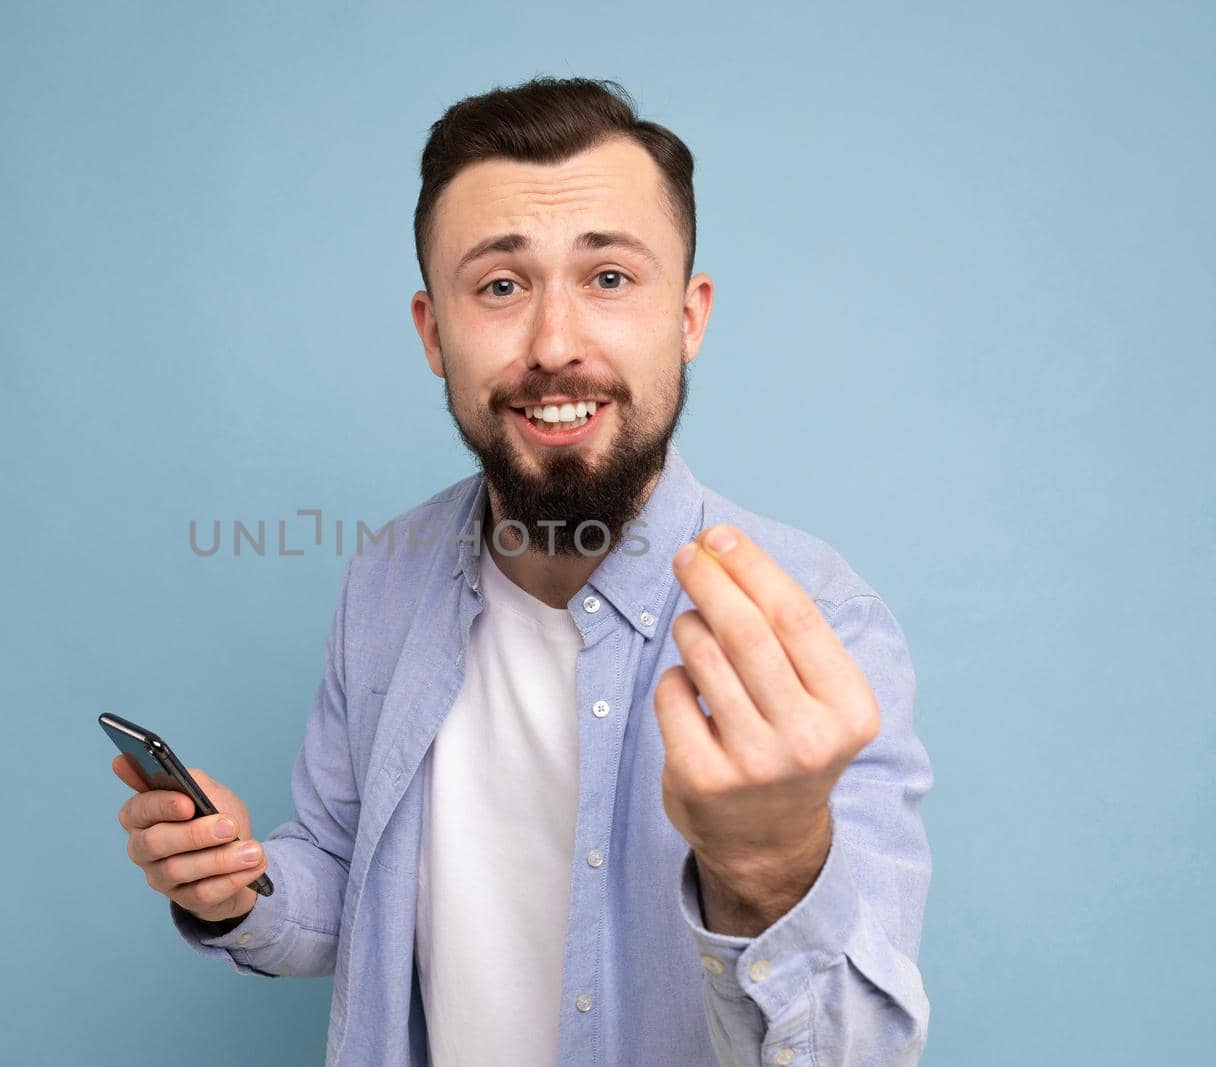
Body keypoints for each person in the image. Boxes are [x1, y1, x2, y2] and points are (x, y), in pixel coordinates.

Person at [112, 75, 933, 1066]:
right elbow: (351, 888)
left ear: (687, 316)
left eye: (610, 279)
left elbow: (862, 1053)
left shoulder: (817, 621)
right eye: (499, 286)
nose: (553, 345)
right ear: (432, 333)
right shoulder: (385, 578)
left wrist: (769, 864)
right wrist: (240, 884)